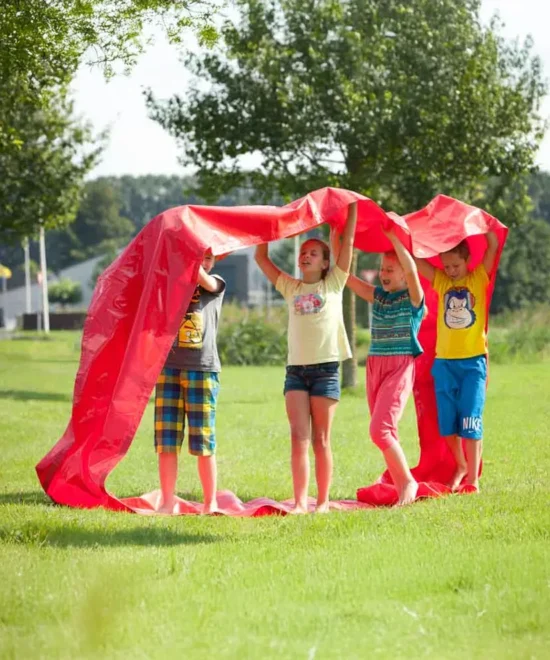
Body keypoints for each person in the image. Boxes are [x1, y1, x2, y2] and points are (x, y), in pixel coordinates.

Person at [254, 203, 358, 513]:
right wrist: (268, 228)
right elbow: (261, 257)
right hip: (296, 372)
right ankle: (300, 502)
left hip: (326, 370)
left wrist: (350, 210)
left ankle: (323, 502)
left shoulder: (335, 284)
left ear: (327, 262)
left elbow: (347, 242)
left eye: (314, 252)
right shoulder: (290, 287)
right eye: (304, 252)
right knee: (298, 437)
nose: (306, 255)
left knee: (320, 440)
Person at [333, 227, 426, 505]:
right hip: (375, 365)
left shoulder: (413, 300)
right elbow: (346, 277)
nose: (384, 273)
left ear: (403, 274)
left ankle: (408, 482)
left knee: (380, 429)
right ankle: (401, 488)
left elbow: (412, 271)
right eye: (382, 269)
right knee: (385, 432)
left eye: (390, 269)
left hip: (399, 366)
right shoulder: (379, 296)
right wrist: (336, 239)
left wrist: (395, 239)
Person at [414, 231, 499, 491]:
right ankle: (460, 465)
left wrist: (488, 229)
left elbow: (492, 249)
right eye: (446, 265)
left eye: (456, 265)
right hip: (444, 364)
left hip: (472, 363)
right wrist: (403, 236)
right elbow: (416, 262)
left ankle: (472, 478)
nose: (450, 270)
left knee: (471, 420)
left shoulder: (478, 278)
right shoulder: (441, 282)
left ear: (467, 261)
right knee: (448, 423)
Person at [154, 251, 225, 513]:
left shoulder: (216, 283)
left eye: (208, 258)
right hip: (168, 369)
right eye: (198, 257)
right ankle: (167, 501)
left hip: (202, 370)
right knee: (166, 441)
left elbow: (205, 279)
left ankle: (210, 502)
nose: (203, 262)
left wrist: (189, 256)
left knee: (204, 441)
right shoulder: (171, 285)